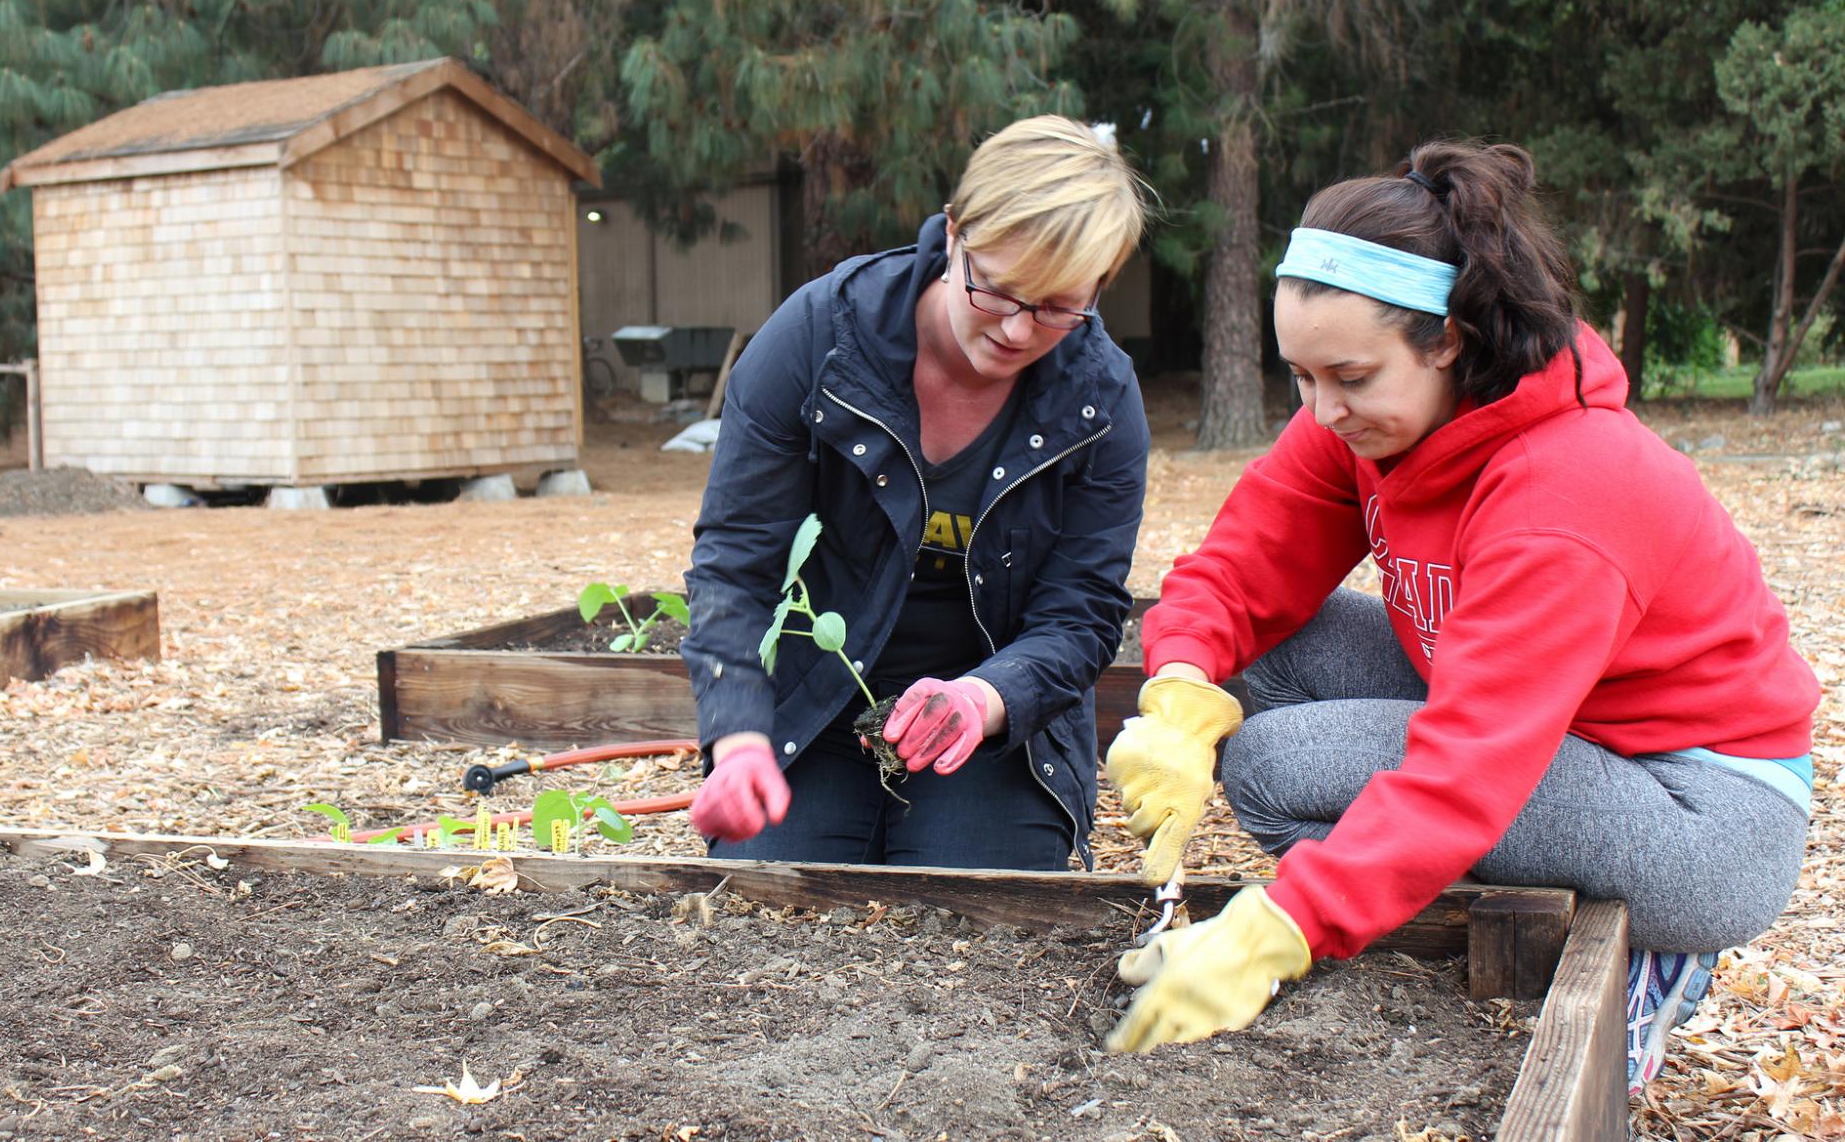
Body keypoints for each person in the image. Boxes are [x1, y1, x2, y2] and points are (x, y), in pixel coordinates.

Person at [1104, 140, 1817, 1096]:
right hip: (1549, 728)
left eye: (1349, 377)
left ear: (1450, 339)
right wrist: (1178, 691)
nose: (1320, 412)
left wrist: (1279, 929)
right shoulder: (1367, 421)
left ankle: (1631, 956)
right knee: (1262, 658)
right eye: (1300, 378)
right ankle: (1443, 908)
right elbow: (1235, 571)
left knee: (1276, 764)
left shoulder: (1570, 487)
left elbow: (1465, 767)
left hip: (1698, 812)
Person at [678, 115, 1152, 871]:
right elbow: (736, 564)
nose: (1019, 330)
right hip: (815, 705)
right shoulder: (819, 338)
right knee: (769, 894)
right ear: (955, 232)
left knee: (980, 913)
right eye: (998, 288)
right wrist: (738, 740)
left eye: (1059, 306)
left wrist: (983, 698)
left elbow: (1082, 614)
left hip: (993, 731)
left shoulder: (1098, 399)